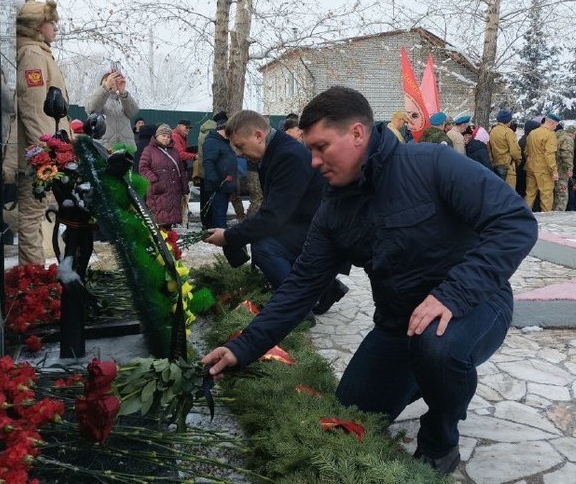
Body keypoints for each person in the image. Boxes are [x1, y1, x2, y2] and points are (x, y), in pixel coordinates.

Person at [201, 86, 538, 477]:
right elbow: (300, 286)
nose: (312, 162)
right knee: (350, 413)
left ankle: (440, 437)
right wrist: (242, 347)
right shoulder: (334, 210)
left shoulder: (432, 165)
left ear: (357, 134)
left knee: (438, 348)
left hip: (475, 306)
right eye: (308, 149)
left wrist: (453, 294)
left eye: (321, 147)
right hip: (398, 325)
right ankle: (423, 376)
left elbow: (514, 223)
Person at [203, 110, 348, 318]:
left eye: (241, 146)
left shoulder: (288, 155)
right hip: (307, 224)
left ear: (258, 135)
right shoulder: (276, 151)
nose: (239, 153)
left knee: (264, 247)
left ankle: (298, 311)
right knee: (265, 239)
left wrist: (229, 236)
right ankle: (327, 288)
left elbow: (273, 218)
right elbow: (272, 209)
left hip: (325, 231)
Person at [12, 0, 71, 265]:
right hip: (38, 154)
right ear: (37, 25)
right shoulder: (33, 55)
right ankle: (32, 281)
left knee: (36, 214)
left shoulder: (40, 52)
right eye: (51, 22)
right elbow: (34, 108)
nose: (56, 27)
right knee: (32, 215)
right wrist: (47, 153)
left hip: (46, 151)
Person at [138, 124, 190, 228]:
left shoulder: (174, 151)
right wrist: (156, 180)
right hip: (158, 192)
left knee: (169, 222)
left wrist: (185, 188)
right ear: (157, 136)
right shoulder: (149, 150)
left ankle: (169, 241)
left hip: (174, 192)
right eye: (163, 135)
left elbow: (181, 171)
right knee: (159, 222)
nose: (166, 138)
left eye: (168, 136)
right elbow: (143, 168)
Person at [85, 66, 140, 152]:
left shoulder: (123, 99)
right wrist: (106, 88)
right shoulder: (96, 98)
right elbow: (93, 109)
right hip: (105, 148)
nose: (112, 83)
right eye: (109, 80)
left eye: (115, 80)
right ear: (102, 83)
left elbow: (133, 112)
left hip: (126, 148)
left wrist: (123, 93)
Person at [202, 116, 238, 228]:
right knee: (219, 212)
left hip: (226, 184)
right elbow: (208, 162)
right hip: (217, 185)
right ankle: (221, 234)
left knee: (222, 211)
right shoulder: (212, 142)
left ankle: (221, 231)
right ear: (221, 129)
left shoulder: (224, 142)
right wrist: (214, 180)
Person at [524, 113, 560, 213]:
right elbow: (550, 154)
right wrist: (554, 170)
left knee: (530, 194)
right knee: (546, 195)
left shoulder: (532, 133)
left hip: (530, 167)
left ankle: (525, 215)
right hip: (543, 169)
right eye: (556, 125)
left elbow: (526, 151)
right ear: (552, 123)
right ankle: (547, 218)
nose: (555, 127)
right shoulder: (550, 134)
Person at [488, 110, 521, 188]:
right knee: (510, 191)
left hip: (496, 164)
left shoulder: (493, 131)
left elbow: (489, 147)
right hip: (508, 165)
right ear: (507, 120)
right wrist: (518, 160)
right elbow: (515, 152)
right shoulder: (508, 132)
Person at [553, 124, 575, 212]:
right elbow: (566, 155)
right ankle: (559, 213)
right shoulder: (568, 139)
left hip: (554, 169)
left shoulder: (556, 137)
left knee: (555, 193)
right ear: (572, 133)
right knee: (562, 194)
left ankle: (554, 211)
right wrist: (569, 168)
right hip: (562, 171)